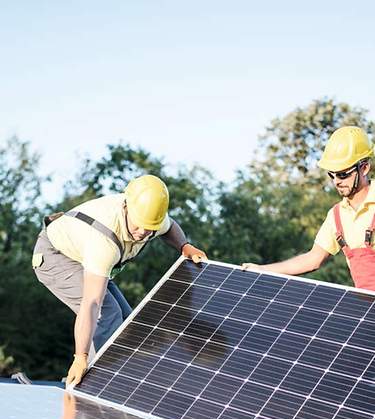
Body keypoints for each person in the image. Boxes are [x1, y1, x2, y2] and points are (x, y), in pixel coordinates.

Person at [32, 175, 207, 387]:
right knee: (108, 313)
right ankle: (99, 386)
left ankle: (124, 380)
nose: (143, 233)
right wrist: (81, 357)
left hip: (81, 256)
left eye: (150, 228)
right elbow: (91, 304)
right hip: (56, 256)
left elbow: (169, 227)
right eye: (139, 226)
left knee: (127, 322)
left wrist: (184, 246)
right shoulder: (103, 242)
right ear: (126, 207)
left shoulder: (149, 217)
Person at [243, 126, 375, 291]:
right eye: (331, 175)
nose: (336, 182)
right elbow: (313, 259)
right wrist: (262, 269)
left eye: (342, 174)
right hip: (368, 307)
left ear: (364, 168)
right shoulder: (337, 215)